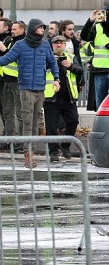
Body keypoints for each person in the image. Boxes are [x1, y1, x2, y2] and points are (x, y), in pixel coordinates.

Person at [0, 19, 60, 168]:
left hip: (40, 89)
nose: (42, 30)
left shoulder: (45, 45)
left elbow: (52, 62)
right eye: (40, 28)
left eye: (43, 28)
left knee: (35, 124)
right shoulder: (20, 45)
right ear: (33, 29)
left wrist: (56, 79)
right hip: (25, 89)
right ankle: (29, 155)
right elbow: (6, 59)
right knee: (27, 122)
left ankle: (31, 151)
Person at [44, 35, 83, 161]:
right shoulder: (46, 57)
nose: (59, 45)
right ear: (52, 45)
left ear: (65, 45)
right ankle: (53, 151)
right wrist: (51, 64)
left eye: (61, 43)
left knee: (73, 122)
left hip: (68, 98)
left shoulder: (71, 57)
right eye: (56, 43)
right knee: (51, 127)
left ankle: (65, 145)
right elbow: (39, 71)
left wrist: (71, 66)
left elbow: (80, 70)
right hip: (51, 98)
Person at [0, 20, 25, 152]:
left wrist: (5, 50)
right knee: (7, 111)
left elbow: (17, 58)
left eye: (15, 29)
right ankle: (8, 140)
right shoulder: (10, 40)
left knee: (20, 113)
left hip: (18, 81)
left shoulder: (23, 43)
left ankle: (20, 143)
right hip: (7, 80)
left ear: (22, 30)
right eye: (12, 29)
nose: (12, 31)